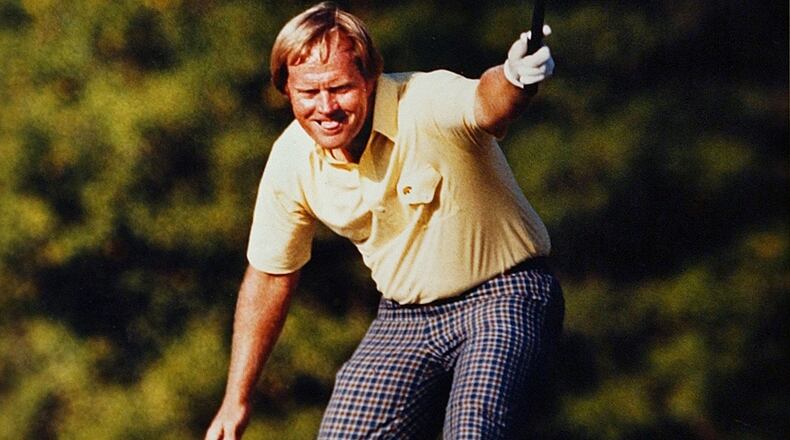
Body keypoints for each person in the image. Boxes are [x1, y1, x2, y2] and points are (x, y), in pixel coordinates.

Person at [206, 2, 563, 439]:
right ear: (286, 90)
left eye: (339, 88)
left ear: (370, 78)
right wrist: (236, 399)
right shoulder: (291, 159)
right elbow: (269, 278)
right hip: (403, 320)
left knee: (473, 428)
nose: (326, 107)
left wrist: (515, 78)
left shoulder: (424, 100)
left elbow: (488, 104)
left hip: (504, 296)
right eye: (308, 93)